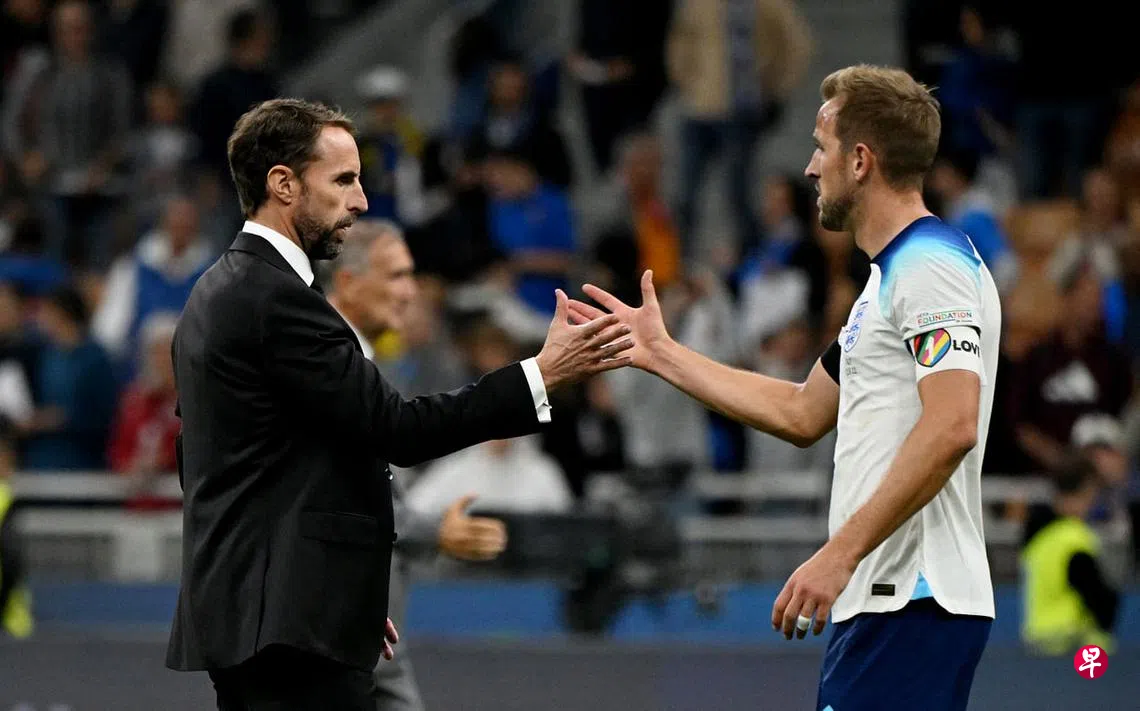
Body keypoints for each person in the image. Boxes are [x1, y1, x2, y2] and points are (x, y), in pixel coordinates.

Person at [166, 98, 634, 711]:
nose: (361, 201)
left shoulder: (217, 290)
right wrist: (540, 374)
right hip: (285, 630)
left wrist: (341, 585)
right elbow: (397, 429)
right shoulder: (276, 299)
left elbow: (230, 464)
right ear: (283, 184)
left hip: (268, 616)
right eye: (343, 180)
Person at [570, 65, 999, 711]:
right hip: (886, 600)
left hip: (912, 595)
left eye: (821, 148)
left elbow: (953, 424)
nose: (809, 167)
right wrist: (663, 354)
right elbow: (802, 411)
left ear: (860, 161)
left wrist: (839, 554)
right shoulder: (887, 283)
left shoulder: (931, 266)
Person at [323, 219, 510, 711]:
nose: (409, 293)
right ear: (348, 282)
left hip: (370, 635)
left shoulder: (362, 364)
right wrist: (435, 532)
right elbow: (345, 498)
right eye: (396, 276)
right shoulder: (327, 365)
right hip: (331, 629)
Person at [1021, 453, 1120, 655]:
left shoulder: (1037, 536)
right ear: (1086, 489)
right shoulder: (1075, 538)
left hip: (1038, 641)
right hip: (1073, 642)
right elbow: (1097, 598)